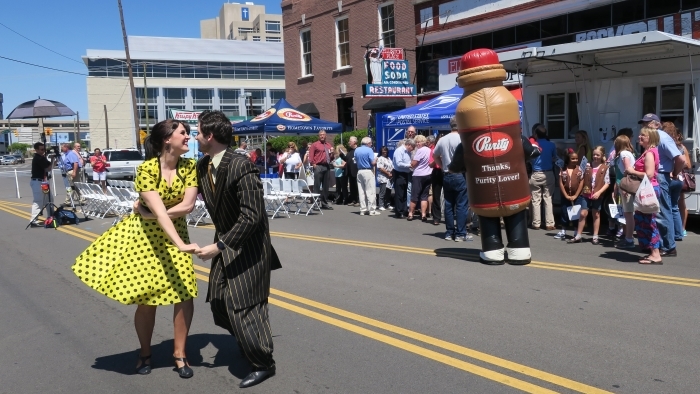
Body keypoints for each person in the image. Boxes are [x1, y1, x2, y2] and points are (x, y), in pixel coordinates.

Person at [72, 119, 200, 378]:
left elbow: (187, 206)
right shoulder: (146, 169)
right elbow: (161, 212)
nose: (188, 137)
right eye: (183, 133)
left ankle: (180, 354)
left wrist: (147, 213)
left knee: (185, 295)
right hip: (145, 240)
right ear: (167, 139)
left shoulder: (189, 167)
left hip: (173, 232)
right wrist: (177, 239)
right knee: (146, 299)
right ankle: (145, 353)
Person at [193, 110, 281, 388]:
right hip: (225, 244)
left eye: (197, 132)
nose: (195, 136)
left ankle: (263, 362)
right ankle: (248, 339)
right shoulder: (202, 166)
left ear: (209, 136)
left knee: (244, 305)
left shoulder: (241, 164)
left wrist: (219, 246)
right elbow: (187, 201)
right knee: (219, 302)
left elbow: (252, 216)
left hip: (248, 247)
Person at [641, 114, 685, 258]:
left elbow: (681, 159)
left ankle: (668, 246)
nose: (645, 126)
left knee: (662, 212)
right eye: (644, 123)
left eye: (648, 123)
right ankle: (660, 244)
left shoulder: (662, 137)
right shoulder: (654, 137)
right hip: (658, 175)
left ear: (657, 124)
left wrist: (674, 172)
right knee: (659, 211)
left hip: (660, 175)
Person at [432, 117, 470, 241]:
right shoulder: (462, 139)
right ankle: (460, 233)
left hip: (447, 173)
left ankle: (449, 232)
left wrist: (443, 167)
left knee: (448, 205)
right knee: (461, 205)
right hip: (460, 173)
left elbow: (435, 155)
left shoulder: (443, 139)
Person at [630, 127, 662, 264]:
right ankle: (651, 251)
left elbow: (649, 174)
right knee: (642, 220)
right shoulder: (648, 152)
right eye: (640, 135)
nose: (639, 137)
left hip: (649, 190)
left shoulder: (649, 153)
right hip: (646, 189)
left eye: (643, 135)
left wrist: (632, 171)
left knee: (649, 222)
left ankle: (656, 254)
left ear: (651, 137)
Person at [575, 146, 610, 245]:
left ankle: (595, 236)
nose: (595, 156)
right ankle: (578, 235)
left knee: (596, 214)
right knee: (583, 213)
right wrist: (579, 176)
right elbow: (581, 177)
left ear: (602, 155)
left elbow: (607, 183)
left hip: (597, 194)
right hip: (586, 193)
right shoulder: (587, 165)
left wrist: (599, 192)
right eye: (594, 154)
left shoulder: (604, 167)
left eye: (597, 155)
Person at [663, 122, 692, 237]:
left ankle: (678, 230)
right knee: (675, 206)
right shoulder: (680, 147)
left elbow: (688, 165)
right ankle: (679, 231)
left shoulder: (672, 146)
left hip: (674, 177)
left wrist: (674, 169)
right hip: (678, 179)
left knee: (674, 205)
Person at [529, 125, 557, 230]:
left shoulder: (533, 145)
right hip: (548, 173)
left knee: (536, 200)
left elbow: (528, 158)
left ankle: (536, 223)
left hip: (535, 173)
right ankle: (549, 223)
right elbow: (555, 157)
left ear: (536, 134)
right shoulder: (551, 145)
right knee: (548, 198)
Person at [613, 135, 637, 249]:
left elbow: (628, 169)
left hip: (626, 185)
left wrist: (626, 187)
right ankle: (627, 237)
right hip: (623, 185)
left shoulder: (623, 154)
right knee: (628, 213)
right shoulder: (629, 153)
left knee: (628, 213)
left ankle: (629, 240)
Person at [556, 151, 585, 241]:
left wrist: (576, 195)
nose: (575, 160)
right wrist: (566, 195)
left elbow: (581, 183)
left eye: (576, 158)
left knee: (576, 214)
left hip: (577, 197)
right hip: (565, 196)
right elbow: (561, 183)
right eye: (573, 158)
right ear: (568, 159)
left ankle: (576, 232)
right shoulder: (563, 169)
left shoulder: (580, 169)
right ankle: (563, 231)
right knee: (564, 213)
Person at [308, 130, 335, 209]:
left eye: (323, 135)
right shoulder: (315, 145)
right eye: (320, 135)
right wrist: (314, 164)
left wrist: (332, 153)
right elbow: (311, 156)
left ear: (326, 136)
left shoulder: (328, 145)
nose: (322, 136)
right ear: (318, 136)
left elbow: (331, 157)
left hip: (326, 166)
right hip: (318, 166)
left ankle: (324, 203)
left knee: (326, 186)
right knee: (317, 185)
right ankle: (316, 203)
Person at [29, 142, 53, 227]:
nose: (43, 151)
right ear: (36, 150)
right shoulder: (38, 158)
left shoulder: (42, 157)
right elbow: (48, 168)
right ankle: (33, 220)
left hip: (43, 182)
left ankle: (51, 217)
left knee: (49, 199)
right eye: (41, 149)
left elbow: (48, 167)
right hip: (37, 182)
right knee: (38, 201)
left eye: (44, 149)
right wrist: (53, 160)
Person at [408, 135, 432, 221]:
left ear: (423, 142)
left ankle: (410, 214)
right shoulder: (430, 150)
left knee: (414, 195)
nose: (417, 143)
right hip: (428, 174)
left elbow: (414, 163)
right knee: (424, 196)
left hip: (418, 175)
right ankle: (423, 214)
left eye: (419, 142)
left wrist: (410, 164)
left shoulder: (419, 151)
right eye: (417, 142)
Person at [355, 137, 380, 215]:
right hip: (368, 171)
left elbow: (355, 160)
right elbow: (372, 163)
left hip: (359, 171)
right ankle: (372, 210)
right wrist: (376, 159)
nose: (371, 144)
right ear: (367, 143)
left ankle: (363, 209)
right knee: (370, 191)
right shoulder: (369, 150)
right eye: (370, 143)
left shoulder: (357, 150)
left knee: (361, 191)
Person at [392, 139, 413, 218]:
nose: (413, 149)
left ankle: (404, 210)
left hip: (405, 173)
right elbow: (399, 163)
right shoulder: (399, 151)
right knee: (399, 193)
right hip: (399, 173)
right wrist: (409, 165)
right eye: (412, 147)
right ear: (409, 145)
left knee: (404, 193)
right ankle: (398, 211)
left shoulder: (408, 152)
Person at [339, 137, 359, 206]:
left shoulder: (358, 150)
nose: (348, 142)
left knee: (357, 186)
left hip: (356, 171)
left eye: (350, 141)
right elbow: (347, 159)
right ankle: (353, 200)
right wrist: (341, 155)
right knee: (352, 186)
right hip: (350, 172)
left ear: (354, 142)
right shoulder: (350, 151)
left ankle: (358, 200)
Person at [428, 134, 442, 225]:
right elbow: (430, 165)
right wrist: (437, 158)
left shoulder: (447, 149)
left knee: (448, 196)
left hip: (446, 172)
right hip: (436, 172)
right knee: (436, 196)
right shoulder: (433, 150)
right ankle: (436, 217)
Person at [376, 146, 394, 211]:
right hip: (383, 177)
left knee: (388, 192)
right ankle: (381, 205)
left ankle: (387, 204)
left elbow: (392, 166)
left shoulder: (389, 158)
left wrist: (391, 173)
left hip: (389, 178)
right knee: (382, 192)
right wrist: (388, 173)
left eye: (385, 150)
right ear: (381, 151)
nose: (384, 152)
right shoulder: (380, 158)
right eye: (383, 150)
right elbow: (380, 168)